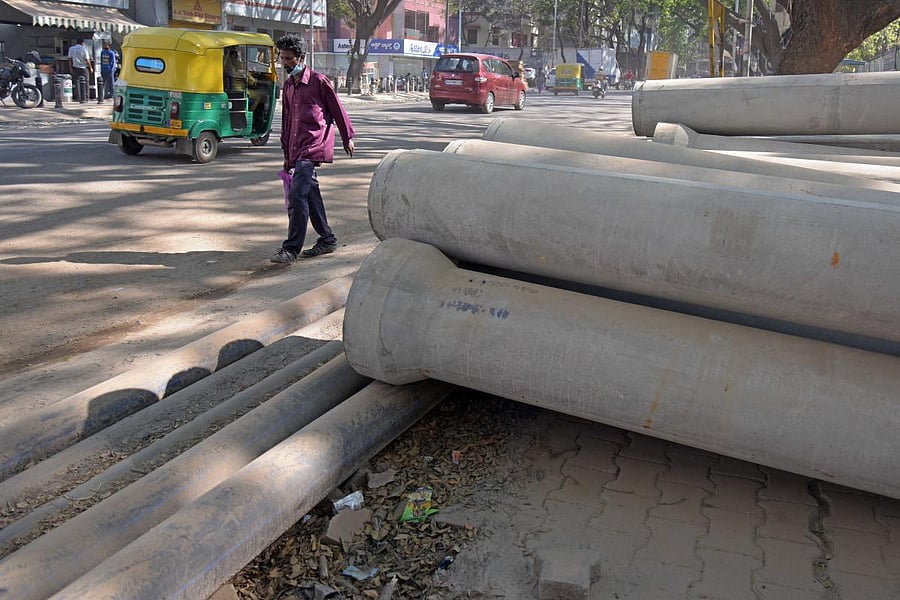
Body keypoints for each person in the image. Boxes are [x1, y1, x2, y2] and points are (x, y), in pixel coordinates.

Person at [271, 33, 355, 263]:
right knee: (310, 193)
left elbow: (338, 110)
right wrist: (286, 153)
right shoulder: (288, 87)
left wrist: (348, 137)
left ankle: (291, 248)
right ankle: (327, 239)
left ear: (301, 58)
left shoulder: (319, 81)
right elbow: (287, 121)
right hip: (296, 149)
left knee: (297, 196)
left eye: (289, 59)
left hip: (313, 146)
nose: (285, 63)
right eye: (283, 58)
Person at [67, 39, 92, 103]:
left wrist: (70, 68)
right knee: (86, 82)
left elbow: (69, 59)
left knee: (77, 82)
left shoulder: (71, 49)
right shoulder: (84, 49)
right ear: (82, 43)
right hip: (83, 68)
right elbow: (87, 60)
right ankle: (86, 97)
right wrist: (91, 68)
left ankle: (79, 97)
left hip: (75, 67)